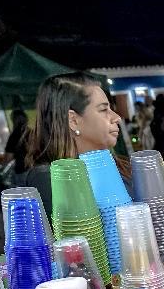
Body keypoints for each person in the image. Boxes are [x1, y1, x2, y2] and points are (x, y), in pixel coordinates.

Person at [18, 72, 122, 213]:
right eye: (103, 109)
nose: (116, 117)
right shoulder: (49, 179)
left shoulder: (114, 165)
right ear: (73, 120)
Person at [4, 108, 31, 174]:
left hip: (21, 170)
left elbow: (9, 157)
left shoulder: (14, 135)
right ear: (26, 119)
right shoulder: (33, 133)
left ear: (14, 120)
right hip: (35, 169)